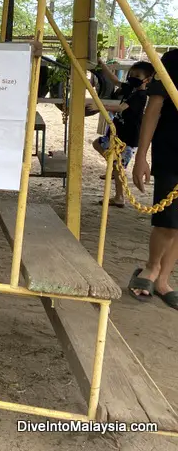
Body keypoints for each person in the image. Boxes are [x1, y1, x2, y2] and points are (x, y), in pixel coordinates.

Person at [130, 48, 178, 309]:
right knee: (167, 221)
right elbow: (154, 108)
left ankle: (163, 280)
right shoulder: (172, 60)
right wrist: (140, 157)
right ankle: (150, 268)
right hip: (171, 151)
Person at [90, 59, 155, 207]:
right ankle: (113, 168)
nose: (132, 78)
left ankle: (119, 197)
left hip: (128, 138)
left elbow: (121, 108)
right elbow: (114, 80)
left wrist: (100, 106)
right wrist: (102, 64)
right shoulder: (131, 89)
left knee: (119, 167)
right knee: (97, 144)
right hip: (117, 133)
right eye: (131, 74)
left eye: (137, 76)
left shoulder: (140, 96)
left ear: (148, 79)